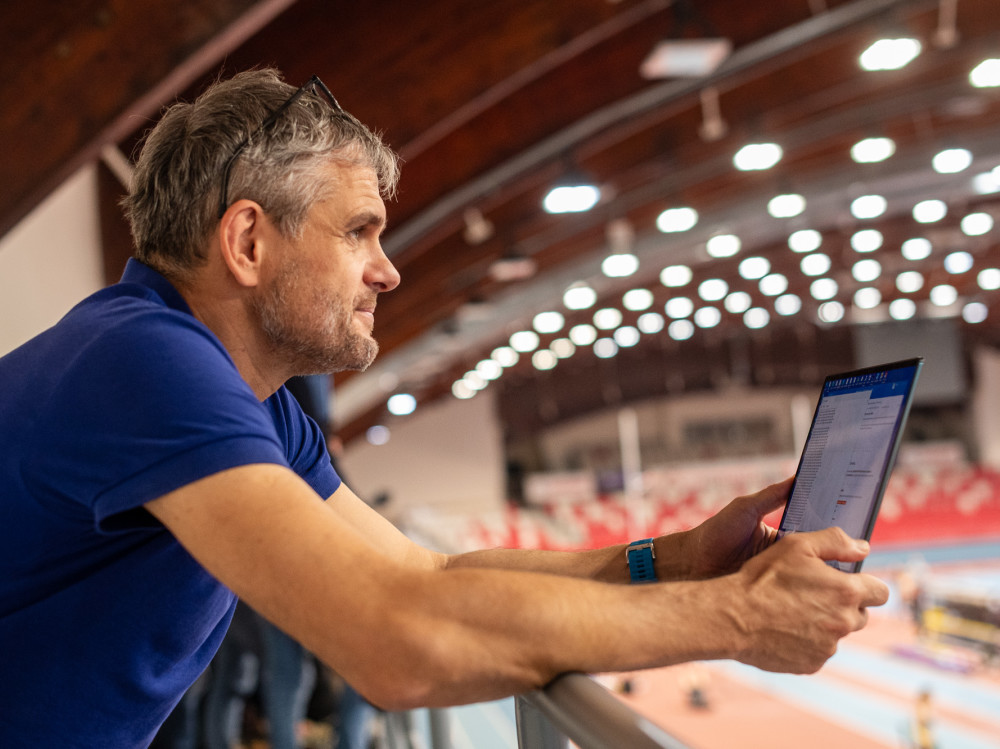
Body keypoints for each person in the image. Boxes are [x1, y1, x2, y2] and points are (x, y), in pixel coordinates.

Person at [0, 68, 888, 748]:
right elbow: (397, 641)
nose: (388, 269)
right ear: (247, 241)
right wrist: (738, 619)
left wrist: (686, 562)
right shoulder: (144, 362)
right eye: (358, 231)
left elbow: (425, 578)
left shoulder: (250, 403)